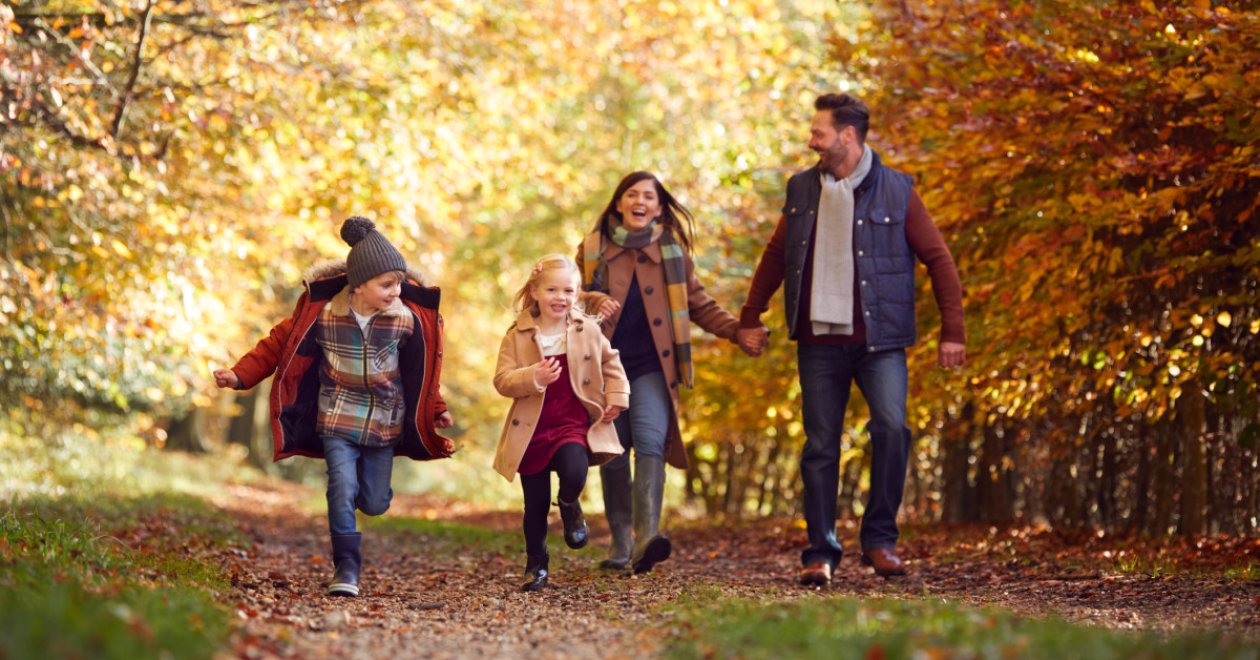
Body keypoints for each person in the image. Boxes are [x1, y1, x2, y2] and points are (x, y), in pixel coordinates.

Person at [737, 93, 966, 585]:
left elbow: (939, 259)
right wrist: (749, 316)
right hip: (819, 342)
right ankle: (820, 552)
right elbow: (776, 254)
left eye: (819, 132)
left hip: (880, 341)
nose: (811, 140)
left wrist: (954, 331)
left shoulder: (898, 190)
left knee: (891, 428)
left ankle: (880, 541)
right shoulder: (802, 188)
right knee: (820, 445)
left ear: (847, 135)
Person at [213, 216, 454, 597]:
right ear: (359, 285)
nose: (397, 291)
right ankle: (347, 567)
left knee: (374, 503)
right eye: (387, 284)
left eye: (400, 283)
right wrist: (240, 376)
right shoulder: (324, 315)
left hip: (383, 421)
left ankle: (365, 497)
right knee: (340, 486)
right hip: (337, 414)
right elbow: (278, 345)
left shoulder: (405, 321)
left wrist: (436, 408)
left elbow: (422, 372)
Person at [578, 171, 749, 574]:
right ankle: (621, 543)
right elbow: (567, 299)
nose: (640, 201)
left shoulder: (672, 253)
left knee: (651, 442)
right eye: (632, 194)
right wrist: (591, 299)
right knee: (614, 452)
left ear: (658, 206)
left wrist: (738, 332)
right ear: (619, 203)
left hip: (654, 367)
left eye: (649, 196)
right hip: (606, 369)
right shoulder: (592, 249)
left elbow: (701, 306)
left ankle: (646, 541)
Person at [493, 254, 629, 592]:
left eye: (568, 291)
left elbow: (612, 363)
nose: (560, 297)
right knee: (535, 504)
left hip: (571, 423)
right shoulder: (518, 335)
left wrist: (616, 396)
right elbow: (502, 380)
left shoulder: (587, 329)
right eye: (552, 289)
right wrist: (532, 376)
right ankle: (536, 565)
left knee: (574, 471)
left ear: (578, 293)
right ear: (535, 291)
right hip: (532, 429)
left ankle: (569, 503)